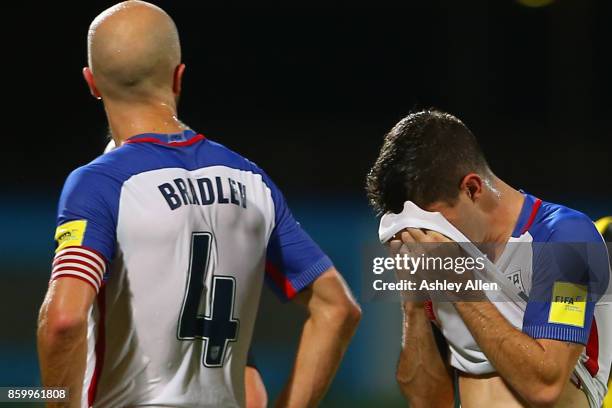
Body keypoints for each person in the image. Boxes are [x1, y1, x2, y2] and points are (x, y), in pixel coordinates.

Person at [36, 2, 360, 407]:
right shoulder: (252, 180)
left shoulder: (100, 184)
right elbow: (338, 309)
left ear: (91, 82)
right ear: (178, 77)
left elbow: (64, 323)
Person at [366, 109, 611, 408]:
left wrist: (460, 288)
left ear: (471, 189)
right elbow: (428, 402)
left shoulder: (567, 239)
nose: (424, 238)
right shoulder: (440, 258)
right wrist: (414, 303)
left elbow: (545, 386)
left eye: (430, 225)